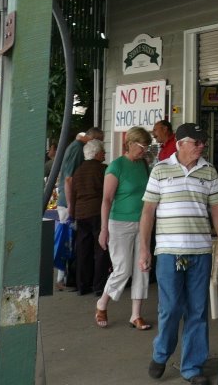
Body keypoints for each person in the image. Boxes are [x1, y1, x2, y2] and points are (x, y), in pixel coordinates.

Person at [140, 123, 218, 385]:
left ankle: (192, 366)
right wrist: (144, 248)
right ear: (179, 143)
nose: (202, 146)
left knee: (197, 310)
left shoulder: (208, 170)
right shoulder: (160, 169)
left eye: (204, 142)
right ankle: (161, 352)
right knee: (170, 308)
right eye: (196, 142)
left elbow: (217, 210)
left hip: (200, 251)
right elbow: (148, 212)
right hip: (168, 252)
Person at [96, 126, 152, 330]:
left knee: (143, 267)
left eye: (147, 146)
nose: (145, 150)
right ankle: (102, 303)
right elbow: (106, 200)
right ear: (129, 144)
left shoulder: (144, 165)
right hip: (119, 223)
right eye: (142, 145)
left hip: (143, 222)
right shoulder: (116, 166)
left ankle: (135, 315)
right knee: (123, 269)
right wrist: (104, 230)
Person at [69, 138, 109, 297]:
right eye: (103, 152)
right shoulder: (103, 169)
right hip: (98, 212)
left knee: (83, 249)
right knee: (100, 249)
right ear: (97, 153)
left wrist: (72, 212)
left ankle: (82, 285)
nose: (105, 154)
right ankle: (98, 286)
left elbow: (73, 193)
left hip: (81, 213)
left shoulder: (78, 171)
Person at [56, 128, 104, 222]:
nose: (100, 145)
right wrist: (70, 206)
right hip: (67, 202)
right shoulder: (78, 148)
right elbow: (69, 178)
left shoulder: (77, 146)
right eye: (100, 141)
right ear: (94, 139)